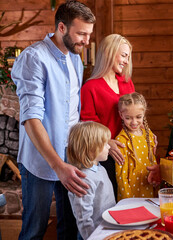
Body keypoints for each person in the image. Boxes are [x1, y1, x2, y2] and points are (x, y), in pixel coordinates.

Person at [11, 1, 95, 239]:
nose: (86, 41)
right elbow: (31, 118)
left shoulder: (76, 57)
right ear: (61, 28)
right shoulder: (33, 59)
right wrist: (59, 166)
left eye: (88, 35)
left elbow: (72, 112)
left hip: (71, 154)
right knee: (34, 231)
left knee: (69, 227)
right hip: (40, 160)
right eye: (81, 34)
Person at [80, 34, 135, 196]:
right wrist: (108, 143)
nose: (126, 61)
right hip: (105, 155)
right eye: (124, 55)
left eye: (128, 57)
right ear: (109, 52)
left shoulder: (127, 82)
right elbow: (88, 124)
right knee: (111, 199)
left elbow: (135, 113)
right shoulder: (90, 87)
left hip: (129, 151)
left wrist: (146, 134)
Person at [67, 121, 116, 240]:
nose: (109, 147)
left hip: (105, 227)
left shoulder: (100, 168)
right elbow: (83, 216)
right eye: (105, 144)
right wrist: (91, 237)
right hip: (93, 233)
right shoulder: (85, 178)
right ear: (91, 149)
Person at [115, 92, 157, 200]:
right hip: (130, 194)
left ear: (144, 114)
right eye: (128, 118)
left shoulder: (149, 135)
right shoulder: (121, 140)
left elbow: (153, 162)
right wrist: (127, 200)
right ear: (121, 115)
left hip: (149, 189)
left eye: (138, 117)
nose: (134, 122)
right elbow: (121, 176)